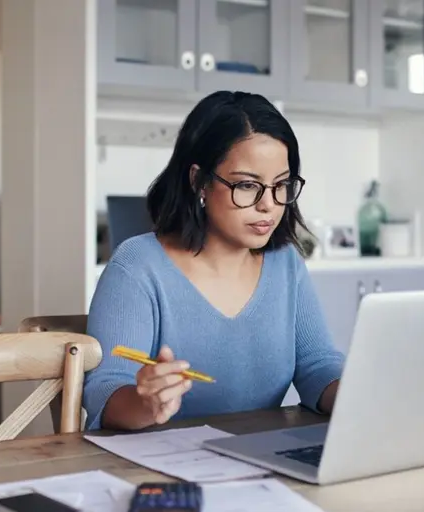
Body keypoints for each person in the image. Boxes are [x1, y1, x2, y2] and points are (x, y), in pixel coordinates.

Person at [83, 90, 345, 431]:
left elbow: (317, 366)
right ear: (199, 181)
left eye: (281, 185)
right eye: (247, 185)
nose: (268, 205)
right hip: (156, 461)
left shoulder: (286, 263)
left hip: (257, 455)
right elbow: (105, 391)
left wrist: (360, 394)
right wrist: (145, 403)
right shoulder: (138, 266)